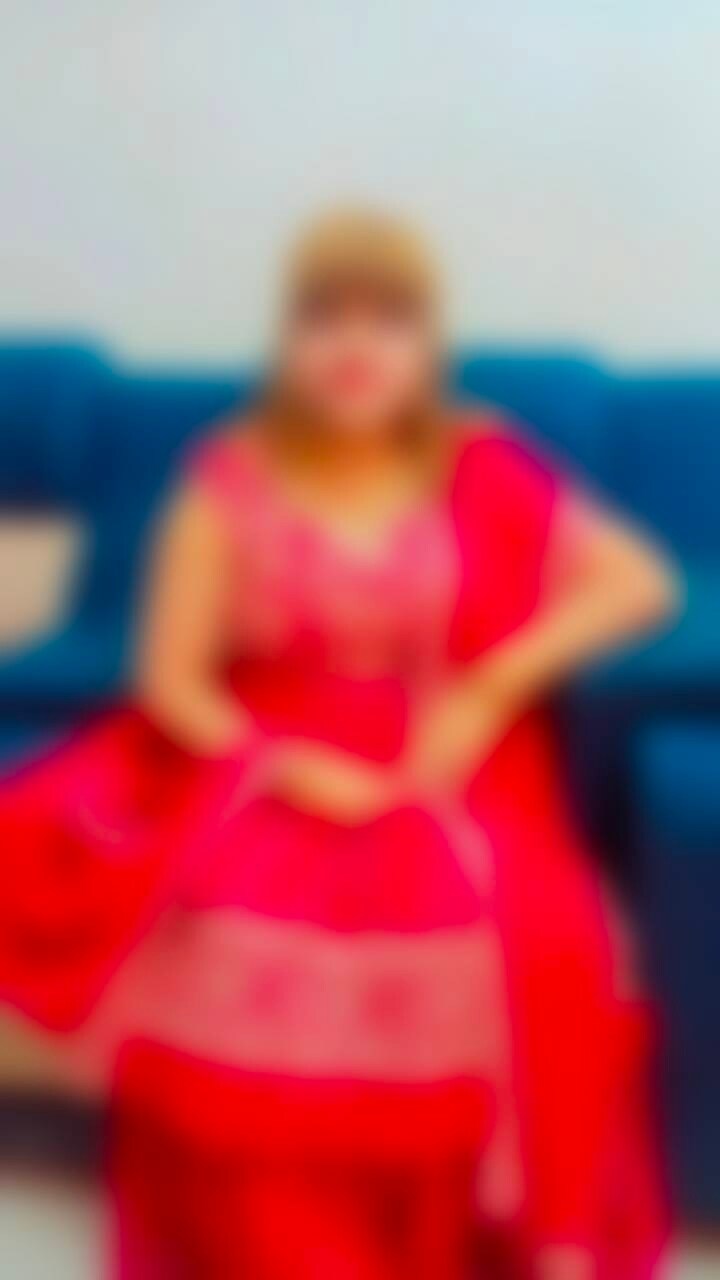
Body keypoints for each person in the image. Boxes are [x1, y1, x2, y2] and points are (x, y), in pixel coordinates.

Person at [0, 208, 676, 1278]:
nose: (356, 346)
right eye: (326, 317)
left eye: (387, 319)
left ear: (427, 346)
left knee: (534, 935)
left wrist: (492, 685)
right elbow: (172, 680)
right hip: (261, 748)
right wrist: (282, 770)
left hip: (447, 752)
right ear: (288, 342)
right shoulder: (228, 479)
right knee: (233, 926)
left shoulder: (477, 459)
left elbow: (641, 582)